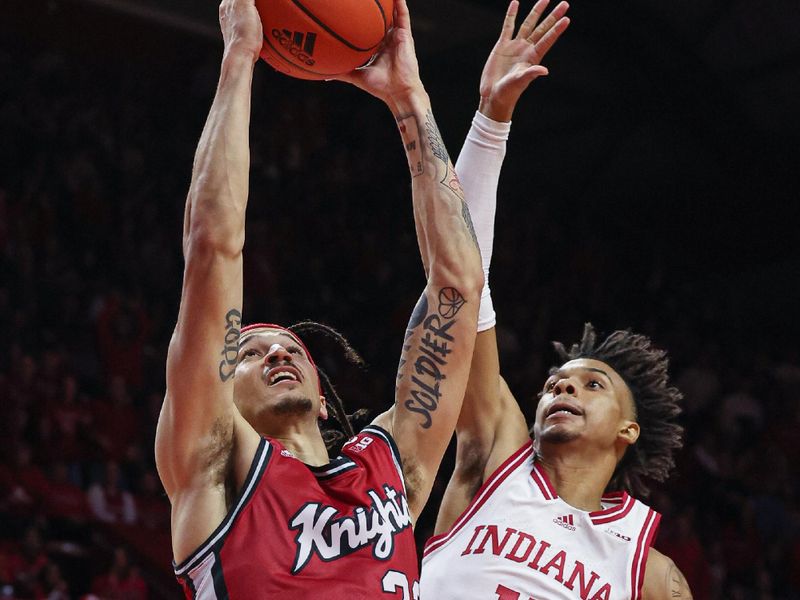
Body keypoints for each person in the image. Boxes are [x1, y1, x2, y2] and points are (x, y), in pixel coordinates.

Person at [154, 0, 483, 597]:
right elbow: (213, 246)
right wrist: (239, 59)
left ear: (326, 401)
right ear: (219, 391)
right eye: (251, 352)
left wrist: (410, 102)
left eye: (292, 348)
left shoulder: (392, 472)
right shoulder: (213, 467)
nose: (279, 354)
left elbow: (458, 287)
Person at [419, 1, 693, 598]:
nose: (561, 387)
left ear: (628, 430)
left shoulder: (652, 575)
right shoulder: (497, 454)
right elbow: (461, 279)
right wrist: (491, 120)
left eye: (592, 384)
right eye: (556, 382)